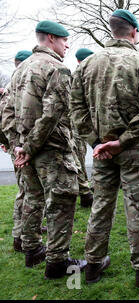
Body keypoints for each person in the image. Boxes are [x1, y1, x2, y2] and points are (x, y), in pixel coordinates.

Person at [70, 9, 139, 288]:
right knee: (138, 207)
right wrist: (122, 141)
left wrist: (97, 142)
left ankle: (93, 264)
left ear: (112, 30)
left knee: (101, 205)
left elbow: (75, 110)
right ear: (133, 31)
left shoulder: (86, 65)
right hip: (132, 150)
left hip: (102, 152)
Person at [2, 20, 87, 278]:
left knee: (32, 198)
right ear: (51, 38)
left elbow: (6, 112)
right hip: (51, 150)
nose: (67, 45)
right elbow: (53, 114)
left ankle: (32, 250)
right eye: (64, 40)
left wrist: (18, 146)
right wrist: (28, 147)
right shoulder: (58, 69)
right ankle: (58, 262)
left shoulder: (19, 70)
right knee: (61, 201)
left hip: (26, 150)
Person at [0, 50, 35, 252]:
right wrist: (15, 147)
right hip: (21, 150)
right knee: (26, 192)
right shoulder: (15, 87)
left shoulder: (15, 85)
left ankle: (27, 231)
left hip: (19, 149)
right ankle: (19, 236)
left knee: (27, 191)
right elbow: (6, 120)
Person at [72, 48, 95, 208]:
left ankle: (88, 189)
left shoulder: (78, 75)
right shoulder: (79, 76)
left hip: (80, 123)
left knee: (81, 158)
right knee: (79, 159)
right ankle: (86, 192)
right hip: (79, 124)